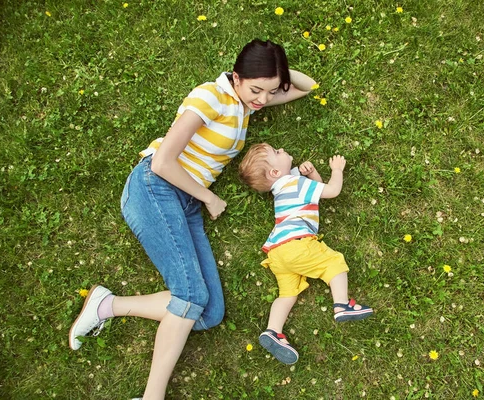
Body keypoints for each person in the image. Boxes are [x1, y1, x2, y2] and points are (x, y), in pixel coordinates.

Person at [68, 39, 316, 400]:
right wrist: (209, 196)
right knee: (190, 295)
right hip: (156, 189)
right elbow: (162, 161)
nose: (263, 99)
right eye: (255, 89)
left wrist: (276, 70)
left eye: (269, 90)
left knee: (208, 311)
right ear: (236, 76)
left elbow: (307, 87)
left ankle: (107, 305)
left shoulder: (245, 103)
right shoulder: (210, 98)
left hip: (184, 202)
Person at [238, 143, 373, 365]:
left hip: (276, 252)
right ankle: (342, 304)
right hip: (296, 244)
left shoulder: (280, 188)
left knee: (288, 294)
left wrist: (311, 173)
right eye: (277, 152)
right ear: (274, 172)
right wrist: (337, 170)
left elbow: (313, 191)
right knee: (334, 262)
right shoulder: (296, 183)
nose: (282, 150)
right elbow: (330, 191)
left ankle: (273, 330)